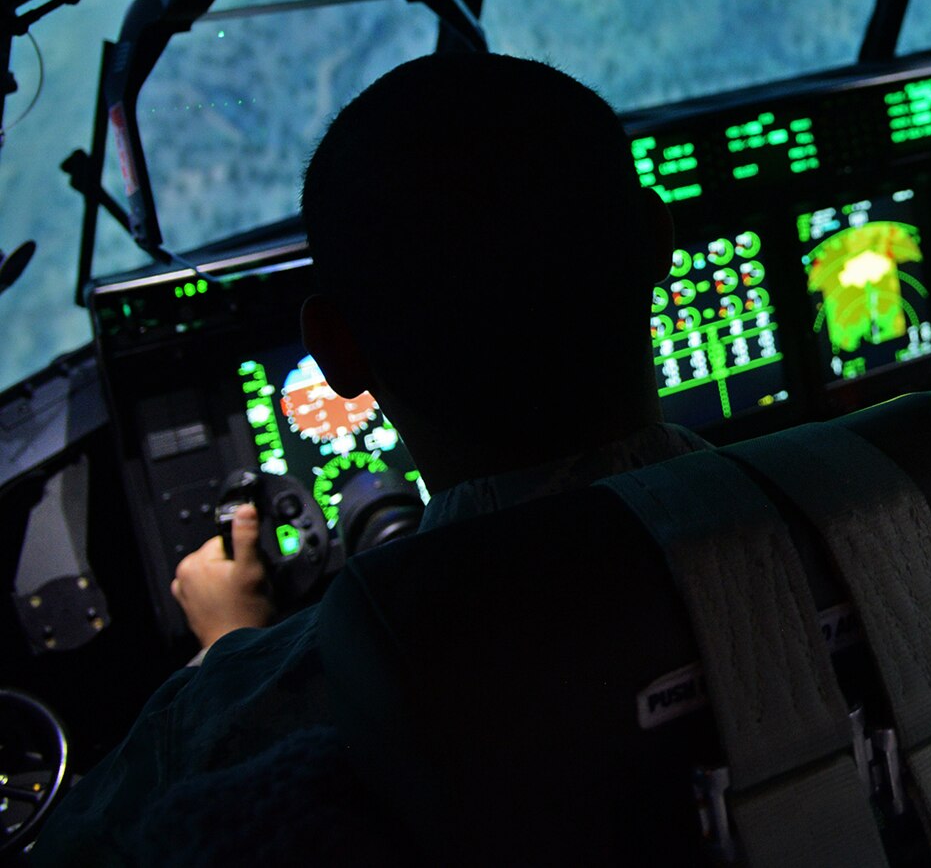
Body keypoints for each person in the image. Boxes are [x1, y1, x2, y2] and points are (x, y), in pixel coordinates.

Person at [35, 54, 699, 864]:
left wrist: (226, 652)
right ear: (660, 244)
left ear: (336, 354)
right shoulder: (876, 511)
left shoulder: (241, 714)